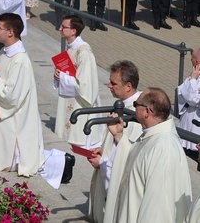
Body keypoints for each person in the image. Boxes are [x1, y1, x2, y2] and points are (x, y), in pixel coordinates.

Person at [0, 13, 70, 187]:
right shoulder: (4, 52)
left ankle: (59, 162)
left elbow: (11, 96)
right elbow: (1, 80)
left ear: (11, 32)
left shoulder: (20, 60)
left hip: (16, 114)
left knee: (23, 155)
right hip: (5, 111)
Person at [112, 88, 192, 223]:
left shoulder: (164, 148)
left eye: (136, 105)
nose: (134, 108)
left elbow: (157, 209)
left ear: (147, 112)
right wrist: (118, 136)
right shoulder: (153, 136)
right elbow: (138, 158)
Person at [88, 60, 142, 223]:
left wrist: (103, 162)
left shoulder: (136, 115)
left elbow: (130, 153)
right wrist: (102, 149)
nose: (109, 86)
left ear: (128, 86)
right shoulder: (121, 105)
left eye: (113, 83)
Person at [53, 16, 103, 146]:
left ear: (73, 31)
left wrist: (63, 77)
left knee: (78, 133)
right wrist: (58, 75)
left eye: (63, 27)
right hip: (71, 95)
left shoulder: (84, 51)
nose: (60, 29)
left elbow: (84, 83)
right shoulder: (71, 47)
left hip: (79, 100)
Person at [177, 48, 200, 159]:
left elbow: (194, 99)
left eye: (193, 58)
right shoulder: (194, 74)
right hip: (186, 122)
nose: (190, 59)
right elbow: (182, 92)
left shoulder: (194, 77)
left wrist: (193, 82)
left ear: (198, 61)